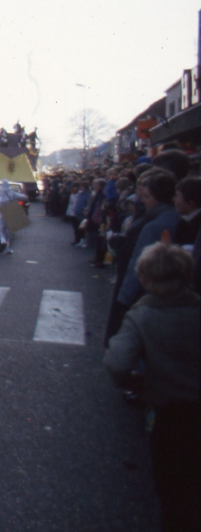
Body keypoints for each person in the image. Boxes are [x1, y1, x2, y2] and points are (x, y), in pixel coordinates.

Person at [104, 242, 200, 532]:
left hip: (171, 411)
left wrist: (137, 384)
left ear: (144, 279)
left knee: (175, 492)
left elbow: (117, 362)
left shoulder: (143, 315)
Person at [107, 169, 180, 346]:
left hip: (148, 289)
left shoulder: (155, 224)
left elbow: (138, 262)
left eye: (146, 196)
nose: (142, 200)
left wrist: (125, 296)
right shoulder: (168, 216)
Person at [0, 179, 26, 254]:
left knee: (1, 230)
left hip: (1, 213)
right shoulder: (12, 193)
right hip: (11, 212)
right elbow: (23, 197)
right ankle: (8, 248)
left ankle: (3, 241)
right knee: (10, 232)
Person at [172, 177, 201, 246]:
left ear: (190, 203)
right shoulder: (185, 221)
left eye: (177, 196)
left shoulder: (195, 228)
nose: (173, 199)